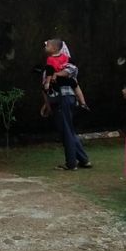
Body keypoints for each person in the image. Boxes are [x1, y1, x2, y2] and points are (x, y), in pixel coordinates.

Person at [39, 39, 92, 171]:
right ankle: (83, 159)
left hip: (61, 98)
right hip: (63, 99)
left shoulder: (65, 63)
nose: (46, 47)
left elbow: (47, 86)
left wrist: (48, 104)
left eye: (48, 45)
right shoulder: (59, 63)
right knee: (67, 129)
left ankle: (71, 163)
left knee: (66, 130)